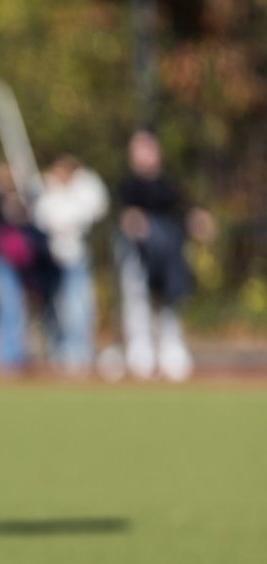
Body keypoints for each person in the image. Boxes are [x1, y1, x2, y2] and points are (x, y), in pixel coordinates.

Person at [113, 129, 213, 382]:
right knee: (137, 300)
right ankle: (140, 353)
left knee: (171, 302)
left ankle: (171, 351)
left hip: (169, 256)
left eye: (147, 149)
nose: (142, 155)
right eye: (137, 150)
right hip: (138, 255)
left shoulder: (170, 185)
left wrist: (199, 222)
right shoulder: (127, 185)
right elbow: (124, 217)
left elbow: (188, 212)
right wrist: (135, 223)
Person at [33, 155, 110, 374]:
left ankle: (79, 351)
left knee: (78, 306)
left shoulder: (83, 190)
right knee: (56, 307)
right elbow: (43, 217)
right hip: (53, 260)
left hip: (76, 259)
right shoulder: (49, 193)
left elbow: (93, 208)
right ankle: (60, 349)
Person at [0, 161, 59, 371]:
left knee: (16, 309)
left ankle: (13, 357)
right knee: (10, 308)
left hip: (20, 265)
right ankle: (8, 359)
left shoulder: (25, 200)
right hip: (2, 263)